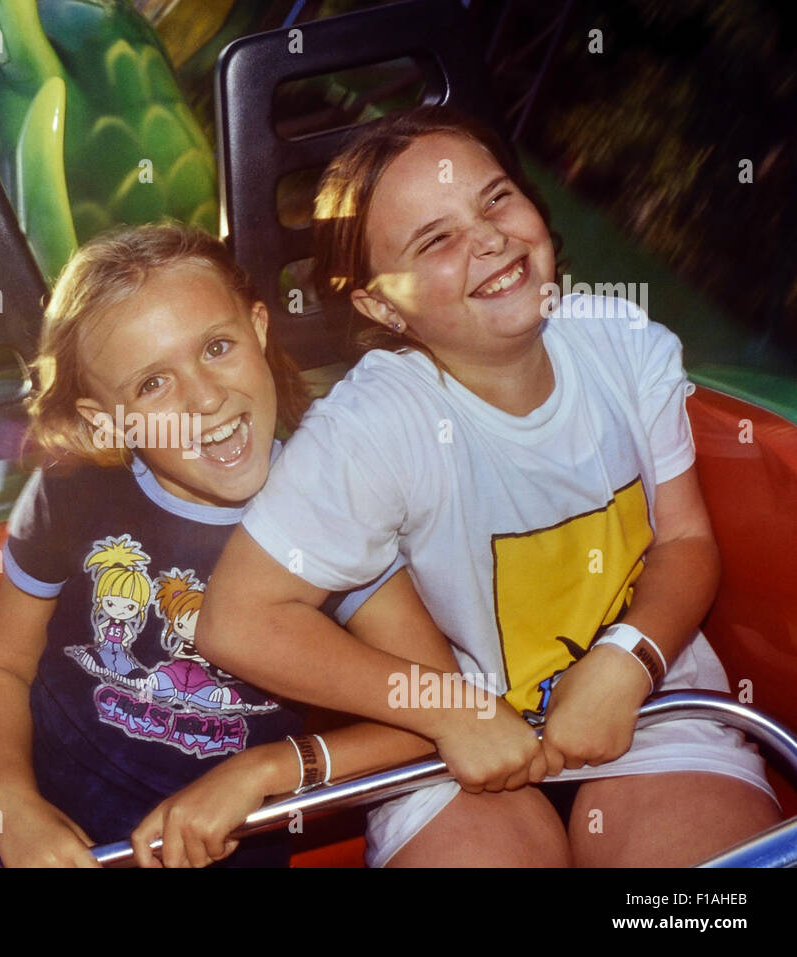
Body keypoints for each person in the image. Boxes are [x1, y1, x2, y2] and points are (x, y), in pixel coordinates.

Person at [196, 105, 782, 867]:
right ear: (380, 305)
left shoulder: (626, 345)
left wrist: (627, 659)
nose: (490, 238)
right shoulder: (374, 424)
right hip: (443, 754)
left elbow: (685, 539)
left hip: (655, 706)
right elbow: (237, 620)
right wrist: (453, 707)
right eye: (435, 239)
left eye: (497, 197)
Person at [0, 221, 541, 868]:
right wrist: (13, 806)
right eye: (153, 383)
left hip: (222, 845)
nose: (205, 398)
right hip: (44, 824)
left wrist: (265, 770)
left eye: (217, 346)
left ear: (259, 328)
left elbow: (437, 703)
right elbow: (3, 668)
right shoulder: (70, 490)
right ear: (105, 418)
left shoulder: (329, 503)